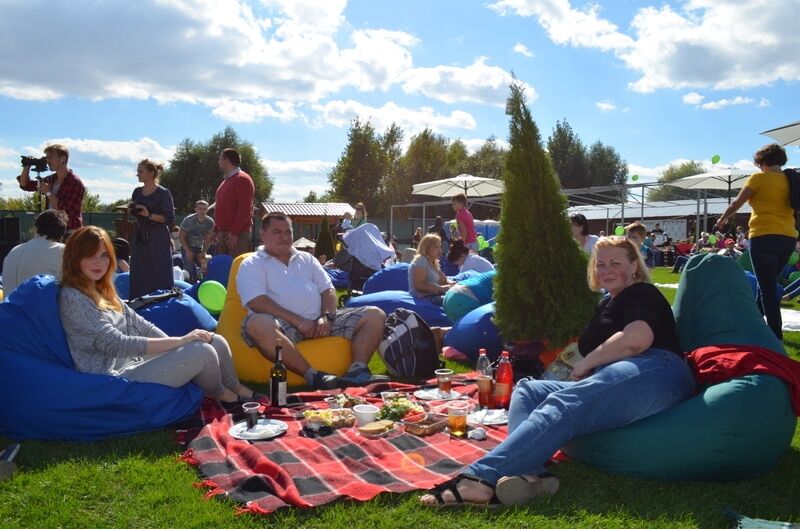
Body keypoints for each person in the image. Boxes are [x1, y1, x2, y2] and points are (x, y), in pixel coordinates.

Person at [419, 237, 694, 507]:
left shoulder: (642, 293)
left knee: (563, 404)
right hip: (614, 377)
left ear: (634, 266)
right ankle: (531, 473)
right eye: (600, 264)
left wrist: (587, 363)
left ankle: (478, 478)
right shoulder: (606, 304)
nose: (606, 270)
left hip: (657, 370)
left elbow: (637, 339)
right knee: (528, 389)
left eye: (615, 263)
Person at [58, 226, 259, 403]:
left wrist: (175, 347)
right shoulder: (73, 297)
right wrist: (181, 342)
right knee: (202, 352)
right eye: (90, 255)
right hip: (113, 378)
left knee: (215, 341)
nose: (99, 262)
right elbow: (117, 344)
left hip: (135, 363)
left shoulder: (102, 290)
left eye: (104, 255)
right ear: (75, 257)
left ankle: (238, 388)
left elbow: (141, 324)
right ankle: (221, 395)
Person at [237, 212, 388, 390]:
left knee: (375, 315)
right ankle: (314, 376)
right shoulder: (252, 264)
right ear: (263, 235)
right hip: (283, 327)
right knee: (255, 324)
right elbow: (257, 301)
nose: (284, 237)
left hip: (320, 321)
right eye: (277, 232)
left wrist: (327, 317)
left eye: (288, 232)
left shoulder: (307, 258)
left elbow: (328, 289)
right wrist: (299, 322)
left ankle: (357, 370)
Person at [715, 143, 797, 339]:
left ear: (763, 162)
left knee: (767, 287)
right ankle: (751, 321)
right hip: (788, 238)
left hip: (764, 236)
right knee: (765, 284)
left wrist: (722, 219)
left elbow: (737, 203)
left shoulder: (758, 178)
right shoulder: (791, 181)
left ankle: (775, 335)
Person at [128, 159, 175, 299]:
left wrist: (148, 214)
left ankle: (163, 304)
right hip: (140, 237)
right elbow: (138, 213)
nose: (137, 174)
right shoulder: (137, 192)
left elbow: (169, 218)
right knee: (139, 273)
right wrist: (134, 211)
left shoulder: (163, 193)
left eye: (140, 171)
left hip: (158, 239)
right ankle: (138, 306)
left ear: (151, 173)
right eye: (138, 171)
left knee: (159, 273)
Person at [16, 144, 85, 231]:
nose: (47, 161)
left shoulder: (74, 182)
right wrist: (27, 166)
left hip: (69, 231)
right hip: (53, 230)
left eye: (51, 157)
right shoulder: (51, 179)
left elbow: (65, 211)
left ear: (63, 158)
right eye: (46, 158)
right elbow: (25, 185)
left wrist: (48, 193)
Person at [1, 209, 67, 295]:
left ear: (35, 228)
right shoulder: (62, 251)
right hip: (42, 307)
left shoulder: (13, 251)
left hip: (7, 307)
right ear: (62, 233)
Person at [214, 148, 255, 258]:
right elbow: (220, 208)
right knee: (224, 271)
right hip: (224, 233)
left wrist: (235, 232)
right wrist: (215, 230)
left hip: (237, 235)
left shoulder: (243, 179)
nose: (218, 162)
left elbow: (245, 209)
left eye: (220, 159)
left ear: (226, 160)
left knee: (236, 269)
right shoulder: (224, 182)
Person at [409, 234, 452, 305]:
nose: (440, 250)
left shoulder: (433, 262)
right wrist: (440, 288)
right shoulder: (421, 260)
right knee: (453, 301)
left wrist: (451, 283)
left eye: (440, 247)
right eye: (437, 247)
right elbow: (419, 286)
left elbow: (444, 280)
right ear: (427, 248)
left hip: (434, 294)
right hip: (423, 297)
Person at [179, 200, 215, 283]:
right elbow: (181, 236)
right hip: (187, 247)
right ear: (196, 209)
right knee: (189, 271)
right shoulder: (188, 220)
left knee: (206, 268)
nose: (202, 211)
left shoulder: (210, 222)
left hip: (200, 248)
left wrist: (203, 251)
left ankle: (204, 284)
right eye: (200, 208)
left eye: (204, 209)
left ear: (207, 210)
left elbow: (208, 239)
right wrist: (187, 251)